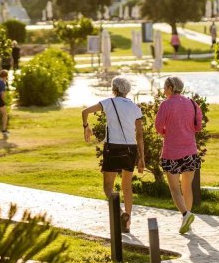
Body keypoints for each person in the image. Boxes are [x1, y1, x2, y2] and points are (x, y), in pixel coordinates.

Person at [82, 76, 144, 233]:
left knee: (108, 187)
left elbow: (85, 112)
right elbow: (140, 135)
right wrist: (142, 158)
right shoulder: (135, 107)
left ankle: (121, 213)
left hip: (113, 148)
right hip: (131, 148)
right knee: (127, 186)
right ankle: (128, 222)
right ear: (127, 90)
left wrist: (86, 127)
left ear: (114, 89)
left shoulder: (108, 103)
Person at [154, 76, 203, 234]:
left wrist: (167, 132)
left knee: (175, 189)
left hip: (171, 153)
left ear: (169, 87)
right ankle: (187, 220)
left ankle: (186, 215)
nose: (163, 90)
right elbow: (198, 126)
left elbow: (158, 127)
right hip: (190, 151)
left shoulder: (166, 104)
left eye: (164, 86)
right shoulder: (192, 103)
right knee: (187, 187)